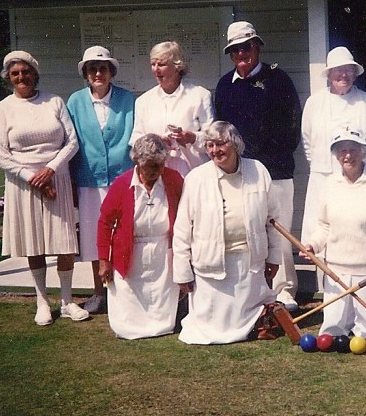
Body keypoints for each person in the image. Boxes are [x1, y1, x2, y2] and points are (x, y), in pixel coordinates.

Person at [0, 50, 85, 326]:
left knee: (65, 242)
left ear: (35, 73)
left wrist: (51, 169)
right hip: (23, 184)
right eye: (15, 73)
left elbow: (72, 142)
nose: (21, 77)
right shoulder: (3, 108)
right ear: (8, 77)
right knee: (34, 244)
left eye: (26, 71)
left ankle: (66, 302)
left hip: (57, 179)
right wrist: (33, 178)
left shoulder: (54, 101)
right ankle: (42, 301)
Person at [213, 22, 302, 311]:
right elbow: (222, 131)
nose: (242, 54)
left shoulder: (278, 79)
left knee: (280, 233)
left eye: (246, 47)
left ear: (257, 47)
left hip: (276, 172)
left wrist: (273, 160)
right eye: (235, 50)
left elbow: (293, 126)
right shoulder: (224, 86)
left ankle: (284, 290)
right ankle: (253, 291)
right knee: (248, 232)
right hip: (241, 175)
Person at [172, 121, 283, 344]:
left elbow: (273, 220)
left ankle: (253, 325)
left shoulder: (258, 171)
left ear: (235, 144)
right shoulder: (196, 178)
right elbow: (183, 228)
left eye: (220, 144)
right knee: (209, 326)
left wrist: (273, 256)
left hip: (248, 262)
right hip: (211, 264)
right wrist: (182, 271)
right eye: (210, 145)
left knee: (249, 309)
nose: (215, 150)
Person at [300, 127, 366, 339]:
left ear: (364, 152)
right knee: (333, 331)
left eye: (353, 149)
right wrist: (313, 245)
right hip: (337, 275)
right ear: (335, 155)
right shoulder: (329, 185)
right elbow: (324, 226)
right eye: (342, 150)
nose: (348, 155)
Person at [66, 45, 136, 315]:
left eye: (103, 68)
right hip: (89, 181)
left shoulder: (127, 99)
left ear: (111, 72)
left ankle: (125, 292)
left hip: (123, 179)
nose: (98, 73)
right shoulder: (75, 102)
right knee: (96, 239)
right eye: (92, 69)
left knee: (123, 234)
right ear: (86, 73)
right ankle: (99, 292)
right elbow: (71, 141)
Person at [97, 134, 184, 339]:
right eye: (152, 166)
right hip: (130, 250)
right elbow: (105, 223)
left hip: (164, 251)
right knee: (129, 300)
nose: (158, 171)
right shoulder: (121, 184)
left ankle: (162, 326)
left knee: (161, 294)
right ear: (138, 161)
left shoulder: (174, 179)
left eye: (161, 164)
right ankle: (131, 328)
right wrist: (104, 260)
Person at [300, 47, 366, 243]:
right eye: (338, 70)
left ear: (355, 74)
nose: (343, 75)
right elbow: (308, 142)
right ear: (329, 74)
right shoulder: (314, 103)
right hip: (324, 179)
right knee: (322, 231)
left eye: (348, 70)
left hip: (362, 181)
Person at [130, 40, 214, 177]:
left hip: (193, 174)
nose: (156, 69)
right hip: (157, 176)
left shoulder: (200, 95)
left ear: (177, 66)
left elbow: (212, 138)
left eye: (161, 64)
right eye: (153, 64)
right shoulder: (143, 101)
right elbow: (135, 140)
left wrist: (192, 138)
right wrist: (153, 142)